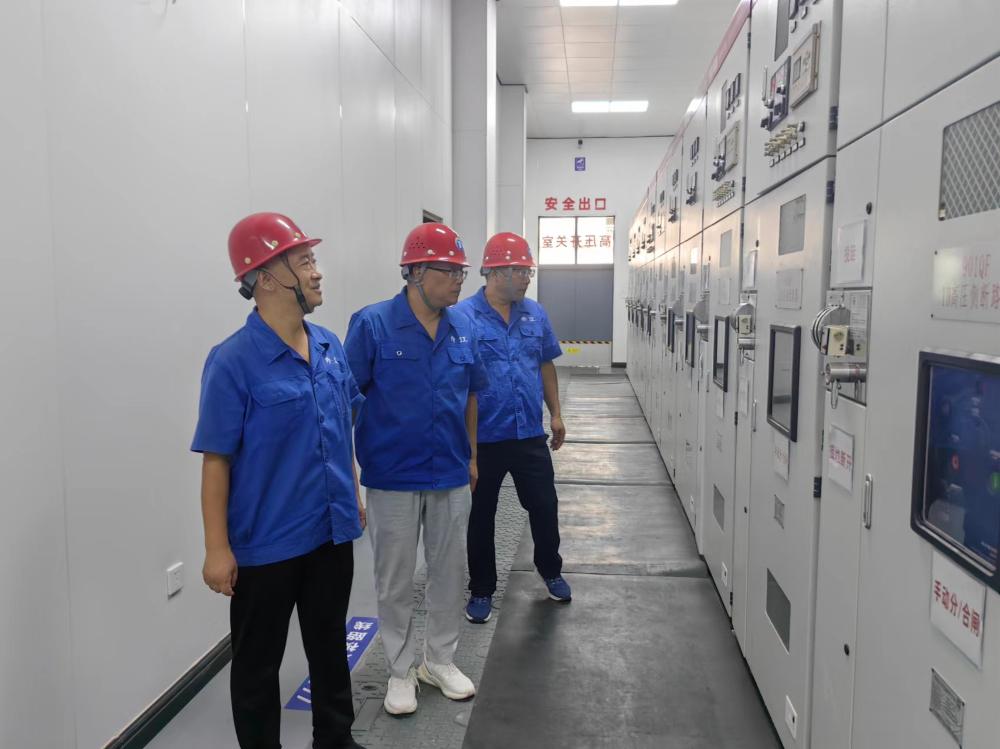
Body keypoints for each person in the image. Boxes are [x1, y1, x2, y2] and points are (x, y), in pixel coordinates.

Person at [192, 212, 365, 749]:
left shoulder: (330, 346)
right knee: (257, 666)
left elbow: (341, 426)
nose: (317, 272)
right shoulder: (233, 362)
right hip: (266, 543)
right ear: (267, 277)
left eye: (313, 260)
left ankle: (335, 740)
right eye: (305, 261)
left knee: (329, 646)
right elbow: (216, 460)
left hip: (330, 531)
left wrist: (353, 489)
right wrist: (216, 549)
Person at [344, 222, 490, 716]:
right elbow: (345, 403)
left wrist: (472, 457)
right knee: (395, 579)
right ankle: (401, 670)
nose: (459, 281)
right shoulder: (372, 325)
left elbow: (471, 395)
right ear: (417, 272)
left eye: (462, 272)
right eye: (450, 271)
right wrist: (349, 479)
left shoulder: (464, 326)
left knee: (449, 572)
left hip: (450, 471)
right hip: (392, 475)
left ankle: (440, 661)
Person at [454, 232, 570, 625]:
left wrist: (555, 413)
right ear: (494, 272)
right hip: (483, 438)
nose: (526, 278)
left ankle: (550, 570)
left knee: (544, 505)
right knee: (480, 516)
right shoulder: (463, 317)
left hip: (527, 434)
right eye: (520, 271)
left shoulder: (534, 313)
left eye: (528, 271)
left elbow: (545, 363)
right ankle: (481, 589)